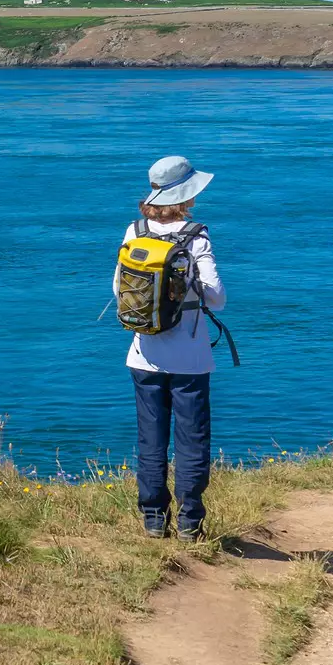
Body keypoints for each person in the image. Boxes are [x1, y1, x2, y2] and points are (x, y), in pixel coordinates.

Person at [116, 155, 226, 540]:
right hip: (191, 358)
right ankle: (190, 522)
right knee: (192, 439)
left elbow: (118, 290)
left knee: (151, 437)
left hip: (143, 353)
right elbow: (217, 298)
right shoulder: (196, 235)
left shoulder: (135, 230)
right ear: (188, 194)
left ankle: (153, 518)